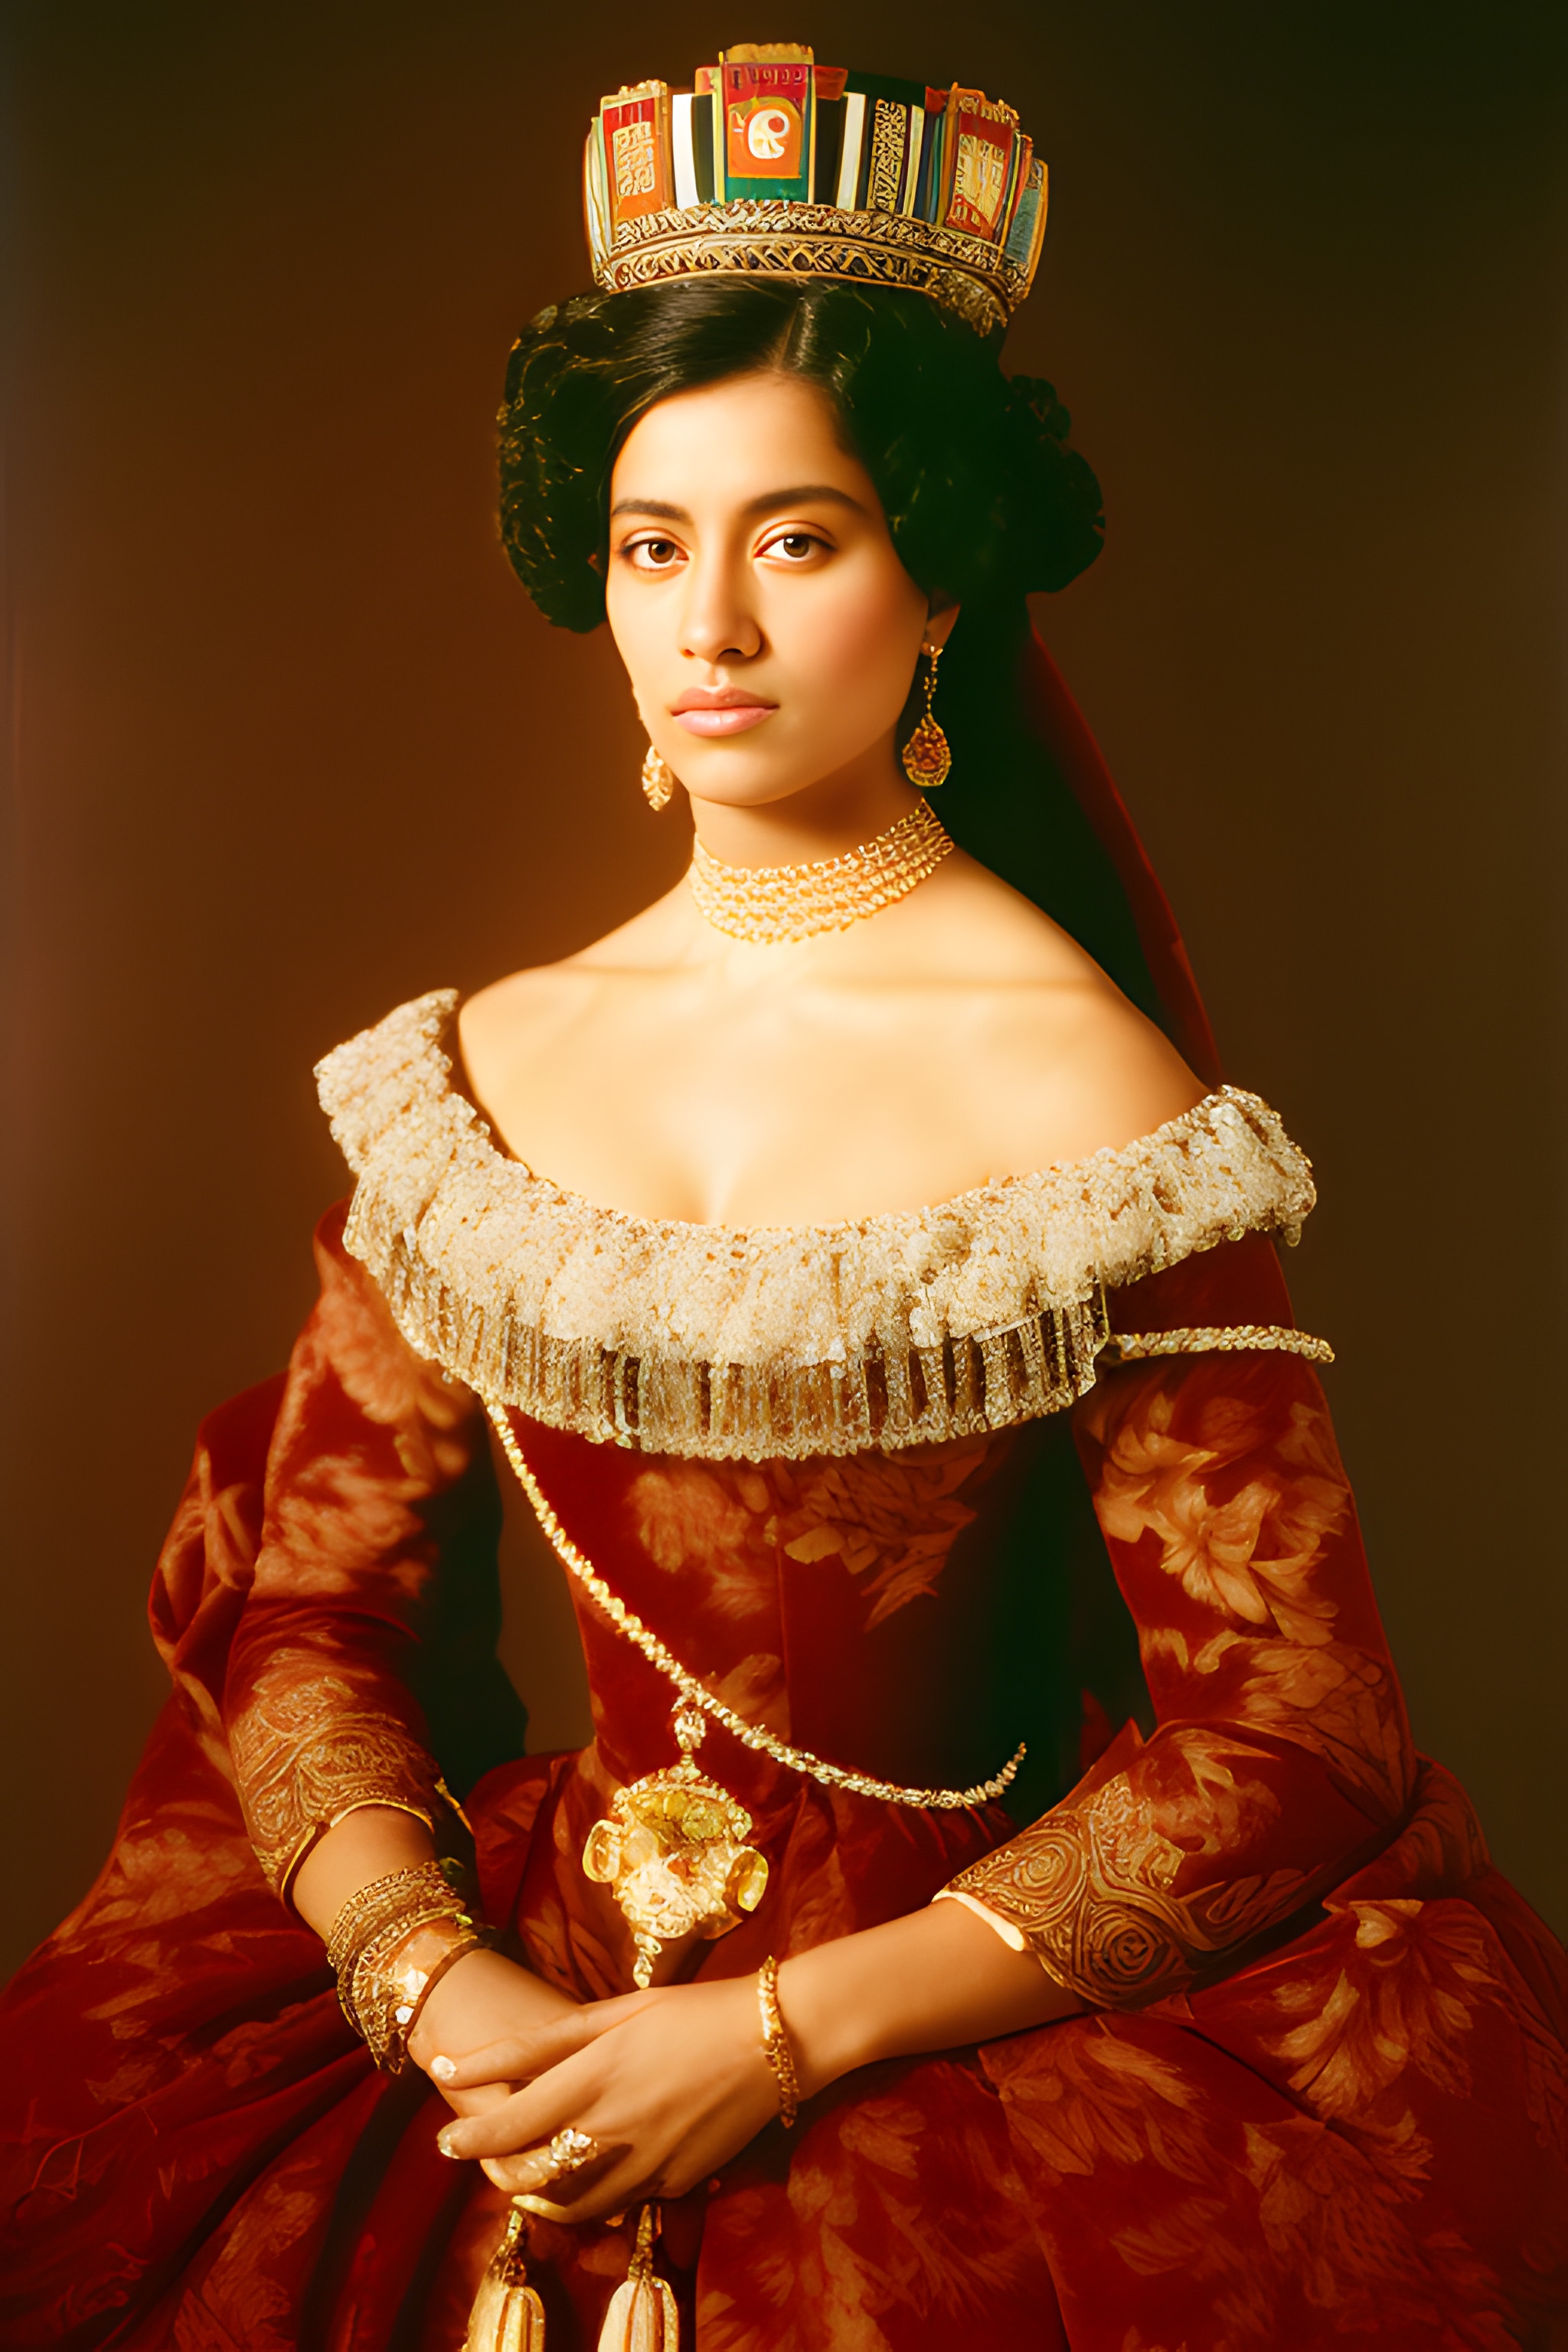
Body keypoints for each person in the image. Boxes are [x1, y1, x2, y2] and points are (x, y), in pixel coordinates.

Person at [3, 44, 1565, 2352]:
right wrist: (443, 1996)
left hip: (954, 2036)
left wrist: (778, 2035)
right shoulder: (473, 1072)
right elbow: (315, 1616)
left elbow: (1291, 1737)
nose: (709, 623)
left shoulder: (1084, 1091)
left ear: (938, 586)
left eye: (797, 539)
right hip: (513, 2002)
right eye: (656, 544)